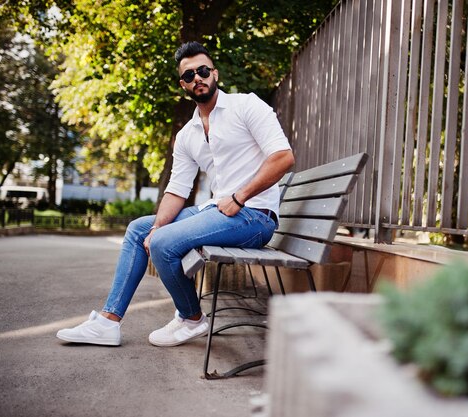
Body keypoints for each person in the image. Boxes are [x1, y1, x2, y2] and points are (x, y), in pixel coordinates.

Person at [56, 41, 294, 347]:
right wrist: (156, 227)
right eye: (189, 75)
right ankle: (108, 322)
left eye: (203, 70)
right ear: (183, 84)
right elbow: (177, 190)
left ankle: (191, 318)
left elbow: (283, 157)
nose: (198, 78)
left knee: (165, 243)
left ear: (215, 73)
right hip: (215, 211)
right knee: (140, 230)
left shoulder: (246, 105)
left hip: (254, 216)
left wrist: (239, 197)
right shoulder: (186, 135)